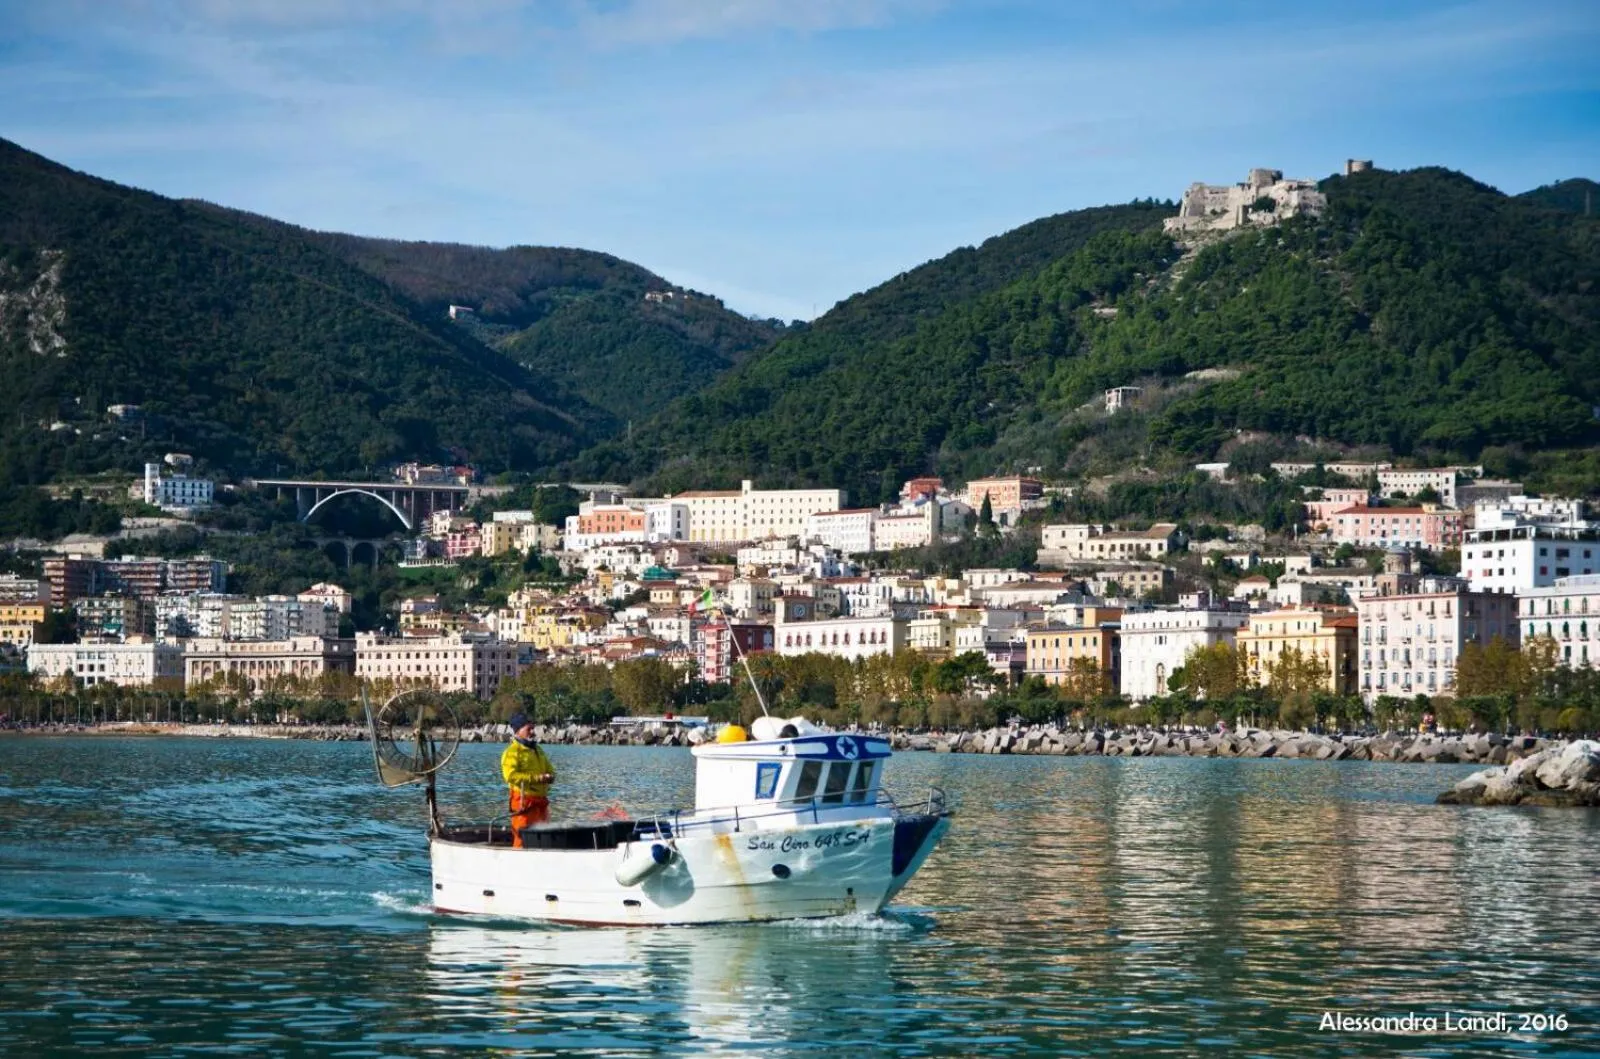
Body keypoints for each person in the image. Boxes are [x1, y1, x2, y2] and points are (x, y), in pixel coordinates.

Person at [501, 711, 555, 848]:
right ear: (518, 731)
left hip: (541, 804)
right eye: (528, 729)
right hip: (523, 804)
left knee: (543, 840)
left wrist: (550, 776)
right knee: (521, 839)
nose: (532, 732)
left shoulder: (538, 750)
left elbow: (550, 769)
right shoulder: (512, 752)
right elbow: (511, 776)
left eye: (533, 728)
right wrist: (537, 778)